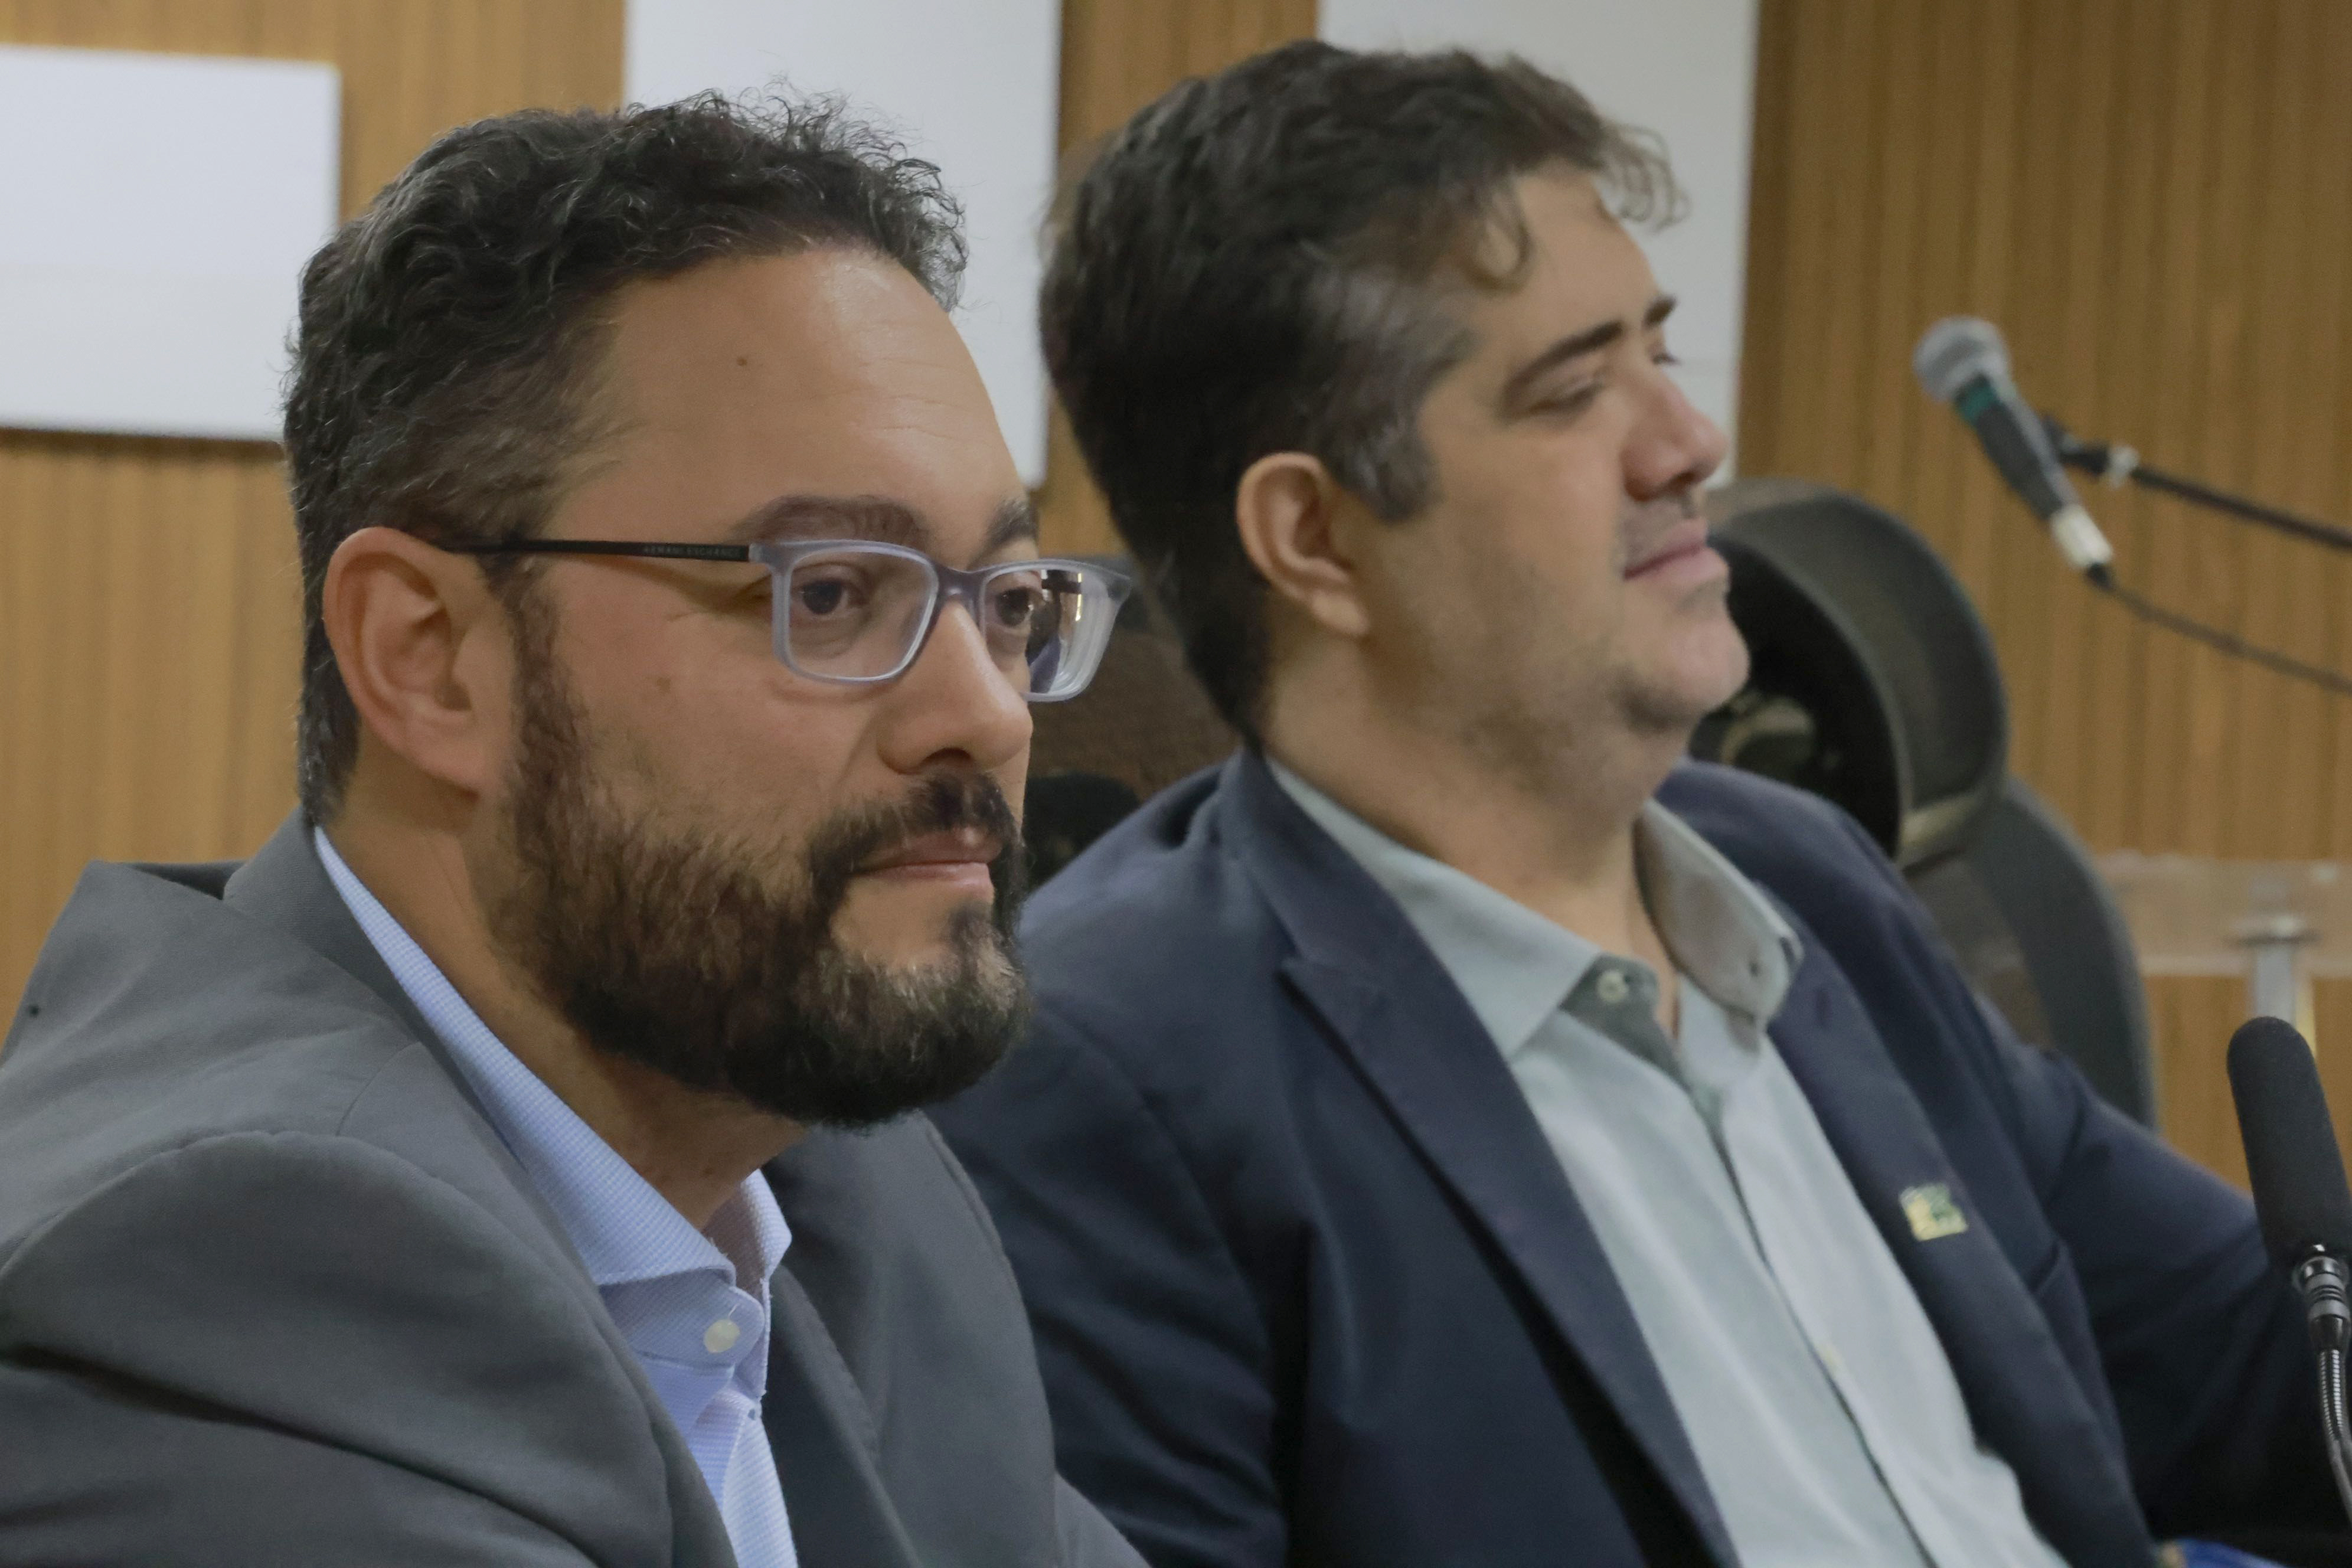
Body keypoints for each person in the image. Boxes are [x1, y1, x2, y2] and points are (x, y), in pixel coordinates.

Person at [930, 41, 2338, 1568]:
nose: (1688, 444)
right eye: (1574, 391)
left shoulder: (1806, 880)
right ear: (1318, 537)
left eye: (1659, 357)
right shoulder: (1110, 1076)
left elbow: (2262, 1361)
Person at [0, 94, 1142, 1568]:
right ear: (429, 658)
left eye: (1010, 600)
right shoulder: (228, 1253)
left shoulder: (832, 1171)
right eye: (830, 592)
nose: (985, 710)